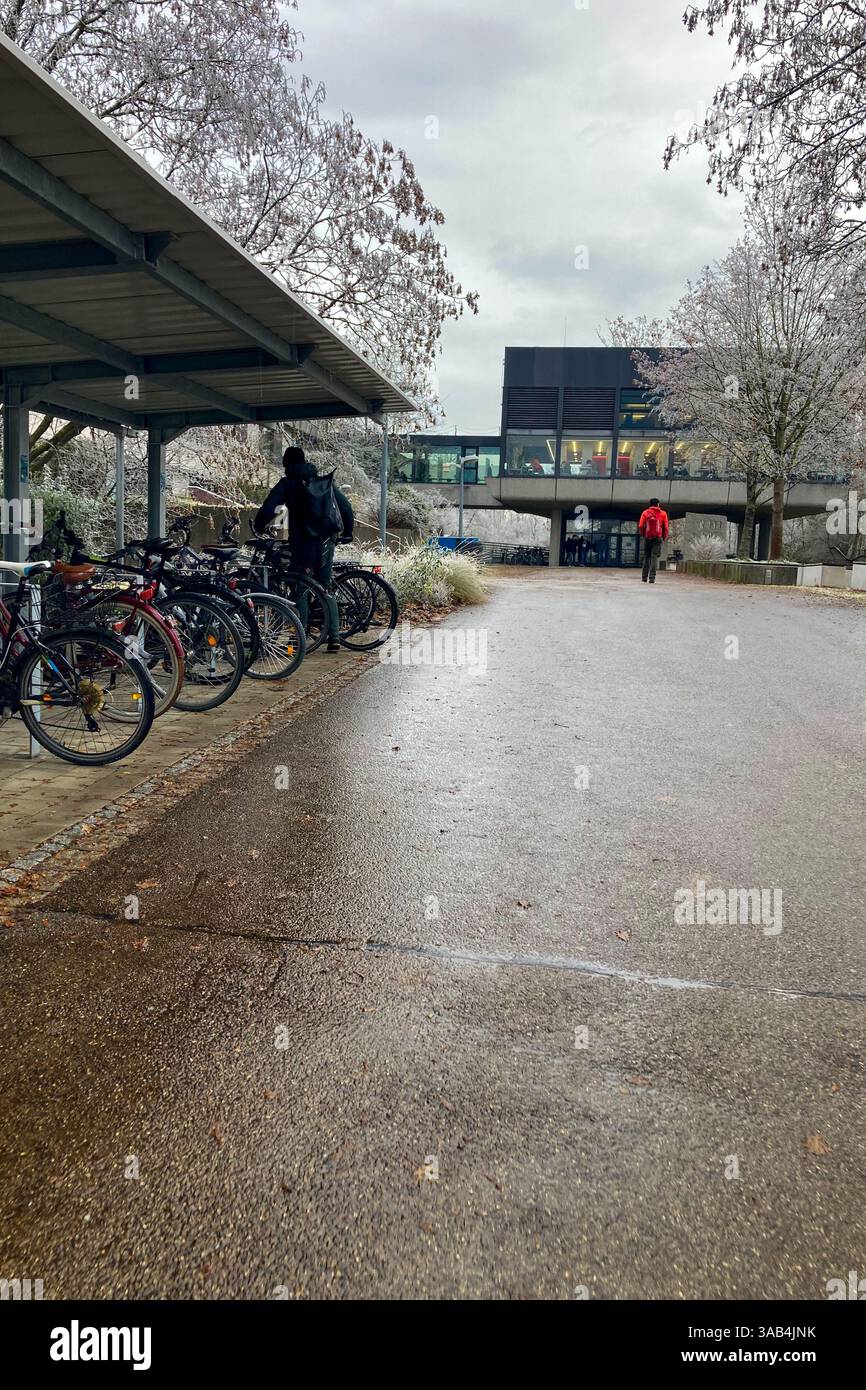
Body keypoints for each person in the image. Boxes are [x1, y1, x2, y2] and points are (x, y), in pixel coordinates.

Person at [254, 446, 354, 651]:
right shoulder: (322, 482)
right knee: (326, 587)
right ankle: (334, 638)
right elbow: (345, 507)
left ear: (286, 464)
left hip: (302, 542)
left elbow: (269, 507)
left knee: (301, 588)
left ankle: (300, 637)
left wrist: (259, 525)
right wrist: (347, 532)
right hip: (326, 541)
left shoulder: (287, 484)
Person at [638, 497, 669, 584]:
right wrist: (663, 537)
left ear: (650, 504)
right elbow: (666, 528)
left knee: (646, 557)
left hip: (648, 537)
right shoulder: (663, 513)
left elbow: (640, 525)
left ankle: (644, 577)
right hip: (657, 538)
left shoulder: (645, 512)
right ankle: (652, 578)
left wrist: (644, 534)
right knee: (654, 557)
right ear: (658, 504)